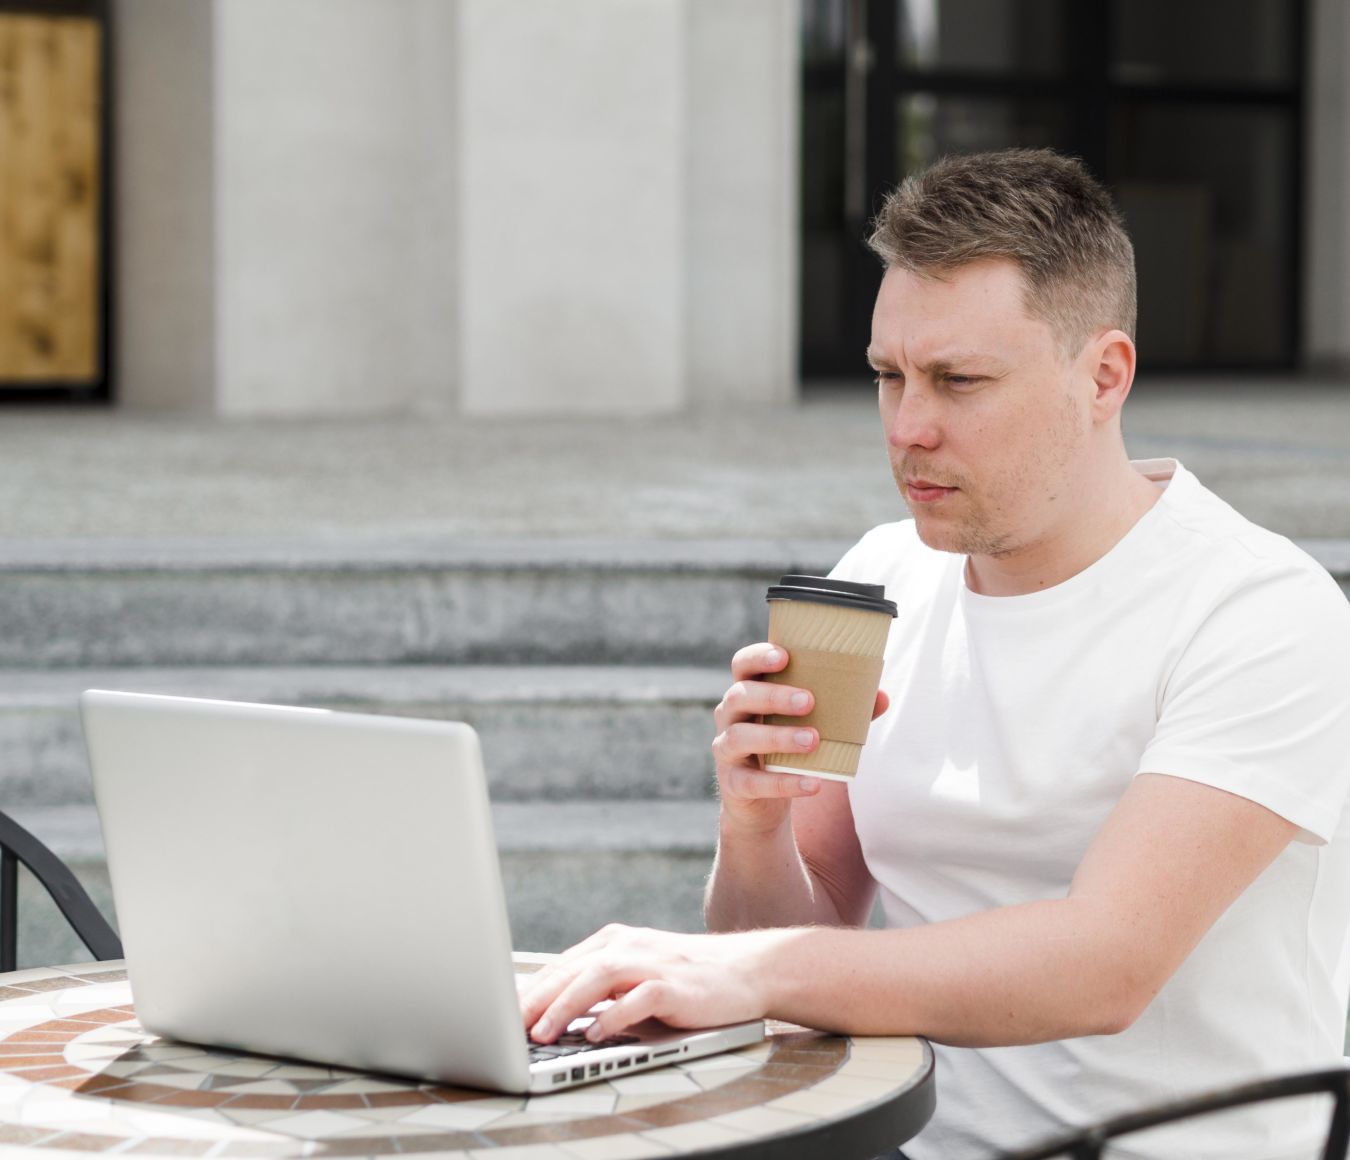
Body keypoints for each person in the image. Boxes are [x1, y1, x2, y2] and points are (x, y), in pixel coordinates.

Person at [519, 148, 1350, 1158]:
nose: (909, 427)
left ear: (1104, 374)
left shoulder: (1259, 611)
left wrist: (759, 968)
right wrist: (755, 826)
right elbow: (789, 934)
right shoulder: (881, 576)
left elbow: (1107, 963)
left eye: (959, 380)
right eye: (888, 375)